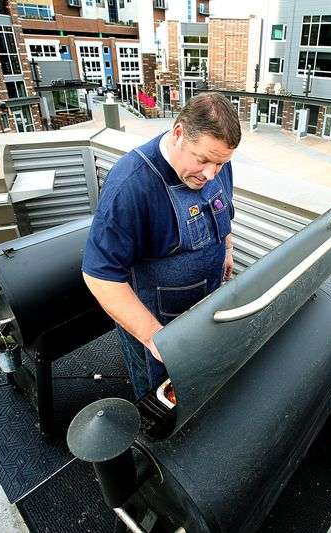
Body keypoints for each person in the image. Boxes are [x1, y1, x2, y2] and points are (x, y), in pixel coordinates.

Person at [82, 92, 241, 399]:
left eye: (220, 164)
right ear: (179, 133)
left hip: (205, 309)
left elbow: (223, 206)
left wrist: (228, 248)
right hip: (158, 325)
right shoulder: (130, 185)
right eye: (203, 159)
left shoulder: (217, 165)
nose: (211, 174)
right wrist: (158, 340)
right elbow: (100, 276)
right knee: (159, 401)